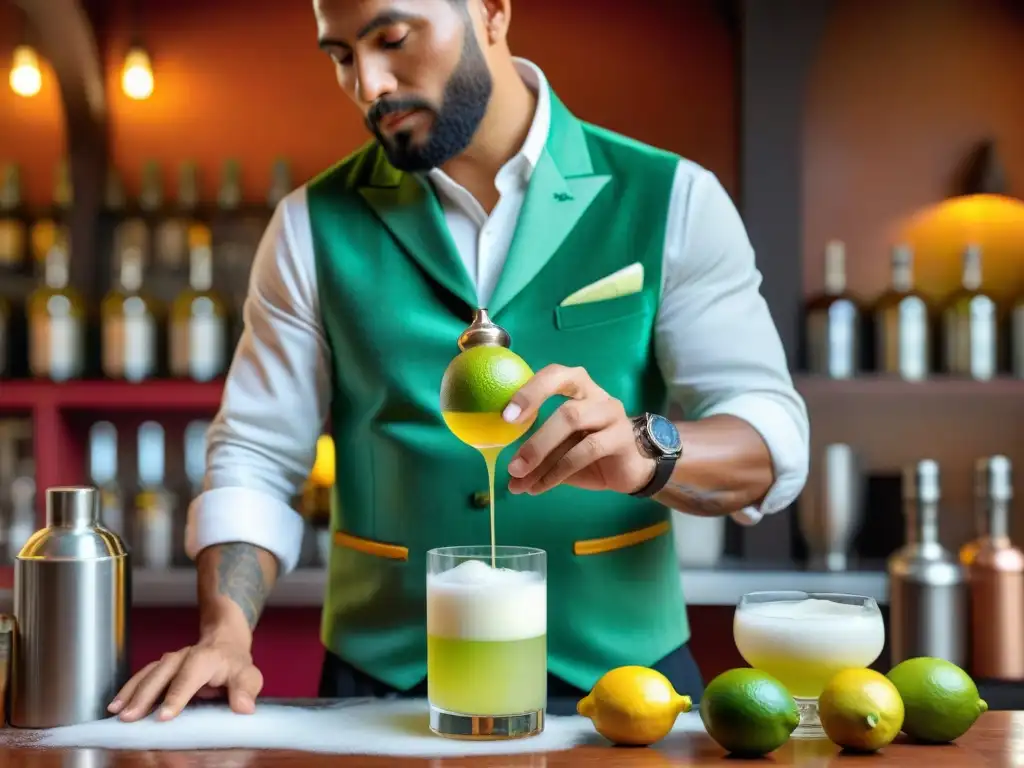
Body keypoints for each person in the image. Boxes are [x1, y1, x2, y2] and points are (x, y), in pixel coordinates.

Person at [109, 0, 809, 723]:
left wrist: (647, 449)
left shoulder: (675, 200)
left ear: (492, 12)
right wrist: (225, 633)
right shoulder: (308, 226)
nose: (368, 84)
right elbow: (255, 455)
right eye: (342, 56)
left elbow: (769, 438)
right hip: (380, 694)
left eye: (391, 38)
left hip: (625, 692)